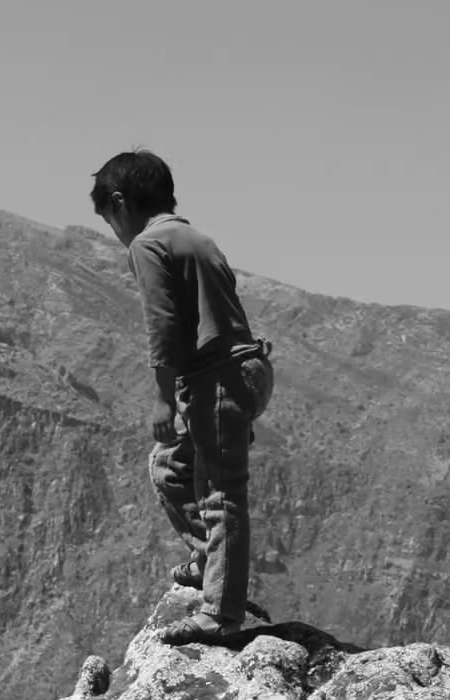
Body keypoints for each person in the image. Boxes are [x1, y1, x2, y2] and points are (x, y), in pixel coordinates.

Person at [89, 149, 276, 646]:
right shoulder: (196, 238)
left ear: (120, 202)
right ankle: (207, 560)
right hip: (246, 370)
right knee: (169, 466)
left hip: (218, 380)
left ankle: (220, 614)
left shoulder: (148, 244)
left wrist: (163, 399)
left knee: (220, 494)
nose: (115, 233)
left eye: (109, 221)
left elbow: (164, 324)